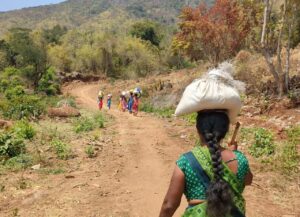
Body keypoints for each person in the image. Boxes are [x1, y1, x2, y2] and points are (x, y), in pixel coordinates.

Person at [159, 110, 253, 217]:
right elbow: (248, 180)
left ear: (198, 129)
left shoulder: (186, 161)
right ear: (225, 131)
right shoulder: (240, 159)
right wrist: (234, 153)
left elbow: (169, 205)